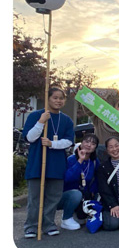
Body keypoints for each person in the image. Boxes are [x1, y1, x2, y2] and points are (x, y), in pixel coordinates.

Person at [21, 86, 75, 238]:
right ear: (48, 98)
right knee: (35, 197)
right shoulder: (36, 116)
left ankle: (48, 224)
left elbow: (69, 141)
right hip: (37, 162)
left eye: (61, 98)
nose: (58, 101)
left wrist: (52, 144)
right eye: (55, 97)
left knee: (53, 197)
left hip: (56, 164)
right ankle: (31, 226)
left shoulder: (66, 120)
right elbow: (29, 138)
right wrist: (40, 122)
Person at [57, 133, 100, 230]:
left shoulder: (94, 161)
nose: (89, 145)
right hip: (68, 195)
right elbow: (67, 178)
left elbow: (98, 178)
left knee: (81, 220)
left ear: (95, 147)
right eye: (87, 141)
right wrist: (80, 160)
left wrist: (93, 191)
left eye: (93, 144)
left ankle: (78, 212)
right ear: (81, 143)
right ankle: (67, 217)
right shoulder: (71, 159)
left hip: (85, 195)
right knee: (76, 194)